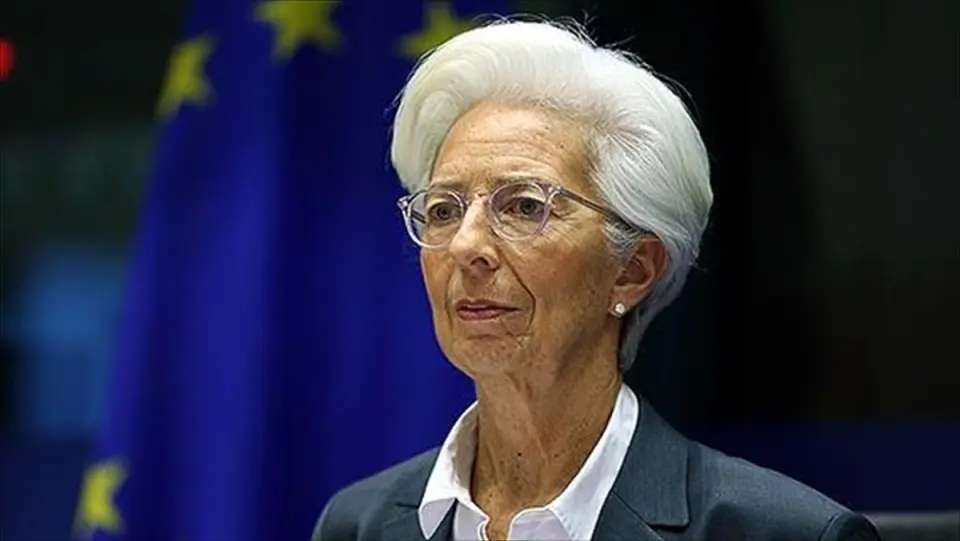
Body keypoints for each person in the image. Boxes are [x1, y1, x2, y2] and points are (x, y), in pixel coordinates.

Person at [312, 18, 880, 541]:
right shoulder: (357, 525)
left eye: (524, 207)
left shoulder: (783, 533)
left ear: (632, 270)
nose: (465, 246)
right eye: (443, 210)